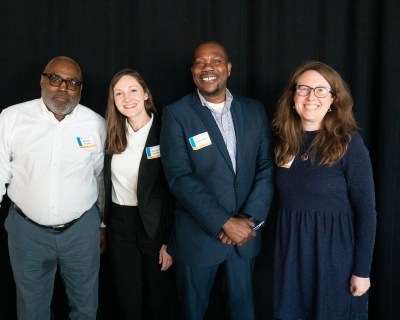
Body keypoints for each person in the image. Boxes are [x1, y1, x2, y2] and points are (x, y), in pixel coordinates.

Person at [160, 41, 275, 320]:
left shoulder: (254, 110)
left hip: (244, 238)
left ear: (229, 68)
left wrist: (246, 220)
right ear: (192, 71)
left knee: (243, 313)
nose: (208, 67)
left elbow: (266, 168)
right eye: (200, 62)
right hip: (197, 238)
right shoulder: (176, 114)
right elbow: (179, 178)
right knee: (192, 313)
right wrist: (225, 222)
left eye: (216, 61)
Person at [0, 56, 106, 319]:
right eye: (55, 79)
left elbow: (100, 177)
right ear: (42, 80)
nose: (62, 88)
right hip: (27, 233)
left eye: (72, 83)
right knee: (31, 310)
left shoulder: (96, 124)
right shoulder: (12, 118)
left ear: (80, 89)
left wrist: (102, 225)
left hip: (81, 232)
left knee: (85, 307)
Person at [272, 61, 377, 319]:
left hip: (335, 259)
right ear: (293, 96)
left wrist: (362, 271)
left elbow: (366, 211)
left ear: (333, 100)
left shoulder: (349, 144)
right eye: (304, 89)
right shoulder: (283, 142)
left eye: (321, 90)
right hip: (292, 258)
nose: (311, 97)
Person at [103, 69, 175, 320]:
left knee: (158, 299)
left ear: (146, 94)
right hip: (120, 225)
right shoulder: (110, 133)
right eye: (119, 93)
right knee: (127, 301)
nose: (127, 98)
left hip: (156, 228)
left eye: (133, 90)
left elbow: (176, 191)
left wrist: (170, 241)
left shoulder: (167, 130)